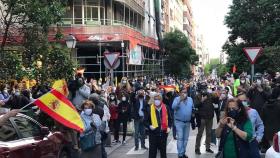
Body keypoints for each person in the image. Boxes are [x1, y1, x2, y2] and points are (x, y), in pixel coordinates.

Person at [145, 93, 172, 158]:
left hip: (163, 134)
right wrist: (149, 126)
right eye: (155, 99)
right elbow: (145, 121)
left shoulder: (166, 107)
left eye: (158, 99)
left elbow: (170, 119)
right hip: (153, 134)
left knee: (163, 153)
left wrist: (169, 127)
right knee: (152, 153)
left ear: (161, 100)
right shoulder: (149, 108)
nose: (157, 101)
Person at [172, 88, 194, 158]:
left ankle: (183, 152)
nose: (184, 93)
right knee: (180, 138)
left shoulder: (190, 99)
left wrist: (193, 113)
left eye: (185, 92)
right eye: (183, 92)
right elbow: (173, 107)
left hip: (187, 122)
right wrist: (179, 101)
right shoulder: (176, 99)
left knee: (186, 139)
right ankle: (180, 154)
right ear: (180, 93)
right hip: (179, 122)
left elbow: (192, 108)